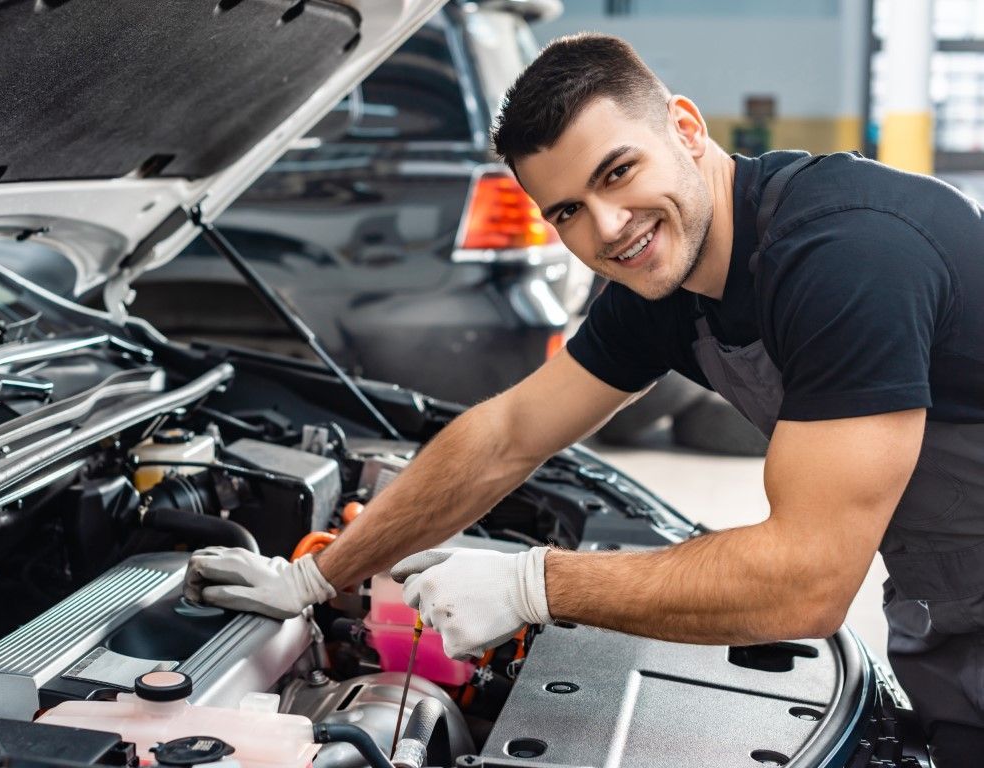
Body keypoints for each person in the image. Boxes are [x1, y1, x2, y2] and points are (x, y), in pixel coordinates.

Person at [185, 34, 984, 764]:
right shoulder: (662, 288)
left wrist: (531, 585)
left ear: (684, 127)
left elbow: (805, 581)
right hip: (946, 606)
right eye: (565, 210)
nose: (607, 228)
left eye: (617, 172)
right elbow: (507, 432)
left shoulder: (844, 255)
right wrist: (317, 581)